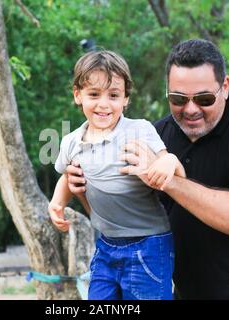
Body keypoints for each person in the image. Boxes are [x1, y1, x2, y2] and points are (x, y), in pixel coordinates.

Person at [66, 39, 229, 299]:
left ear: (225, 86)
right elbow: (123, 219)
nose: (190, 109)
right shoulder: (153, 135)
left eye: (204, 98)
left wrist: (169, 181)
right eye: (178, 98)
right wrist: (84, 191)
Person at [48, 50, 185, 300]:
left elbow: (175, 174)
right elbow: (68, 175)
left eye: (113, 95)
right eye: (94, 94)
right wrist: (57, 203)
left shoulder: (139, 130)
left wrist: (170, 160)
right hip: (106, 245)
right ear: (78, 95)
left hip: (149, 245)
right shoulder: (71, 141)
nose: (103, 104)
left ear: (125, 99)